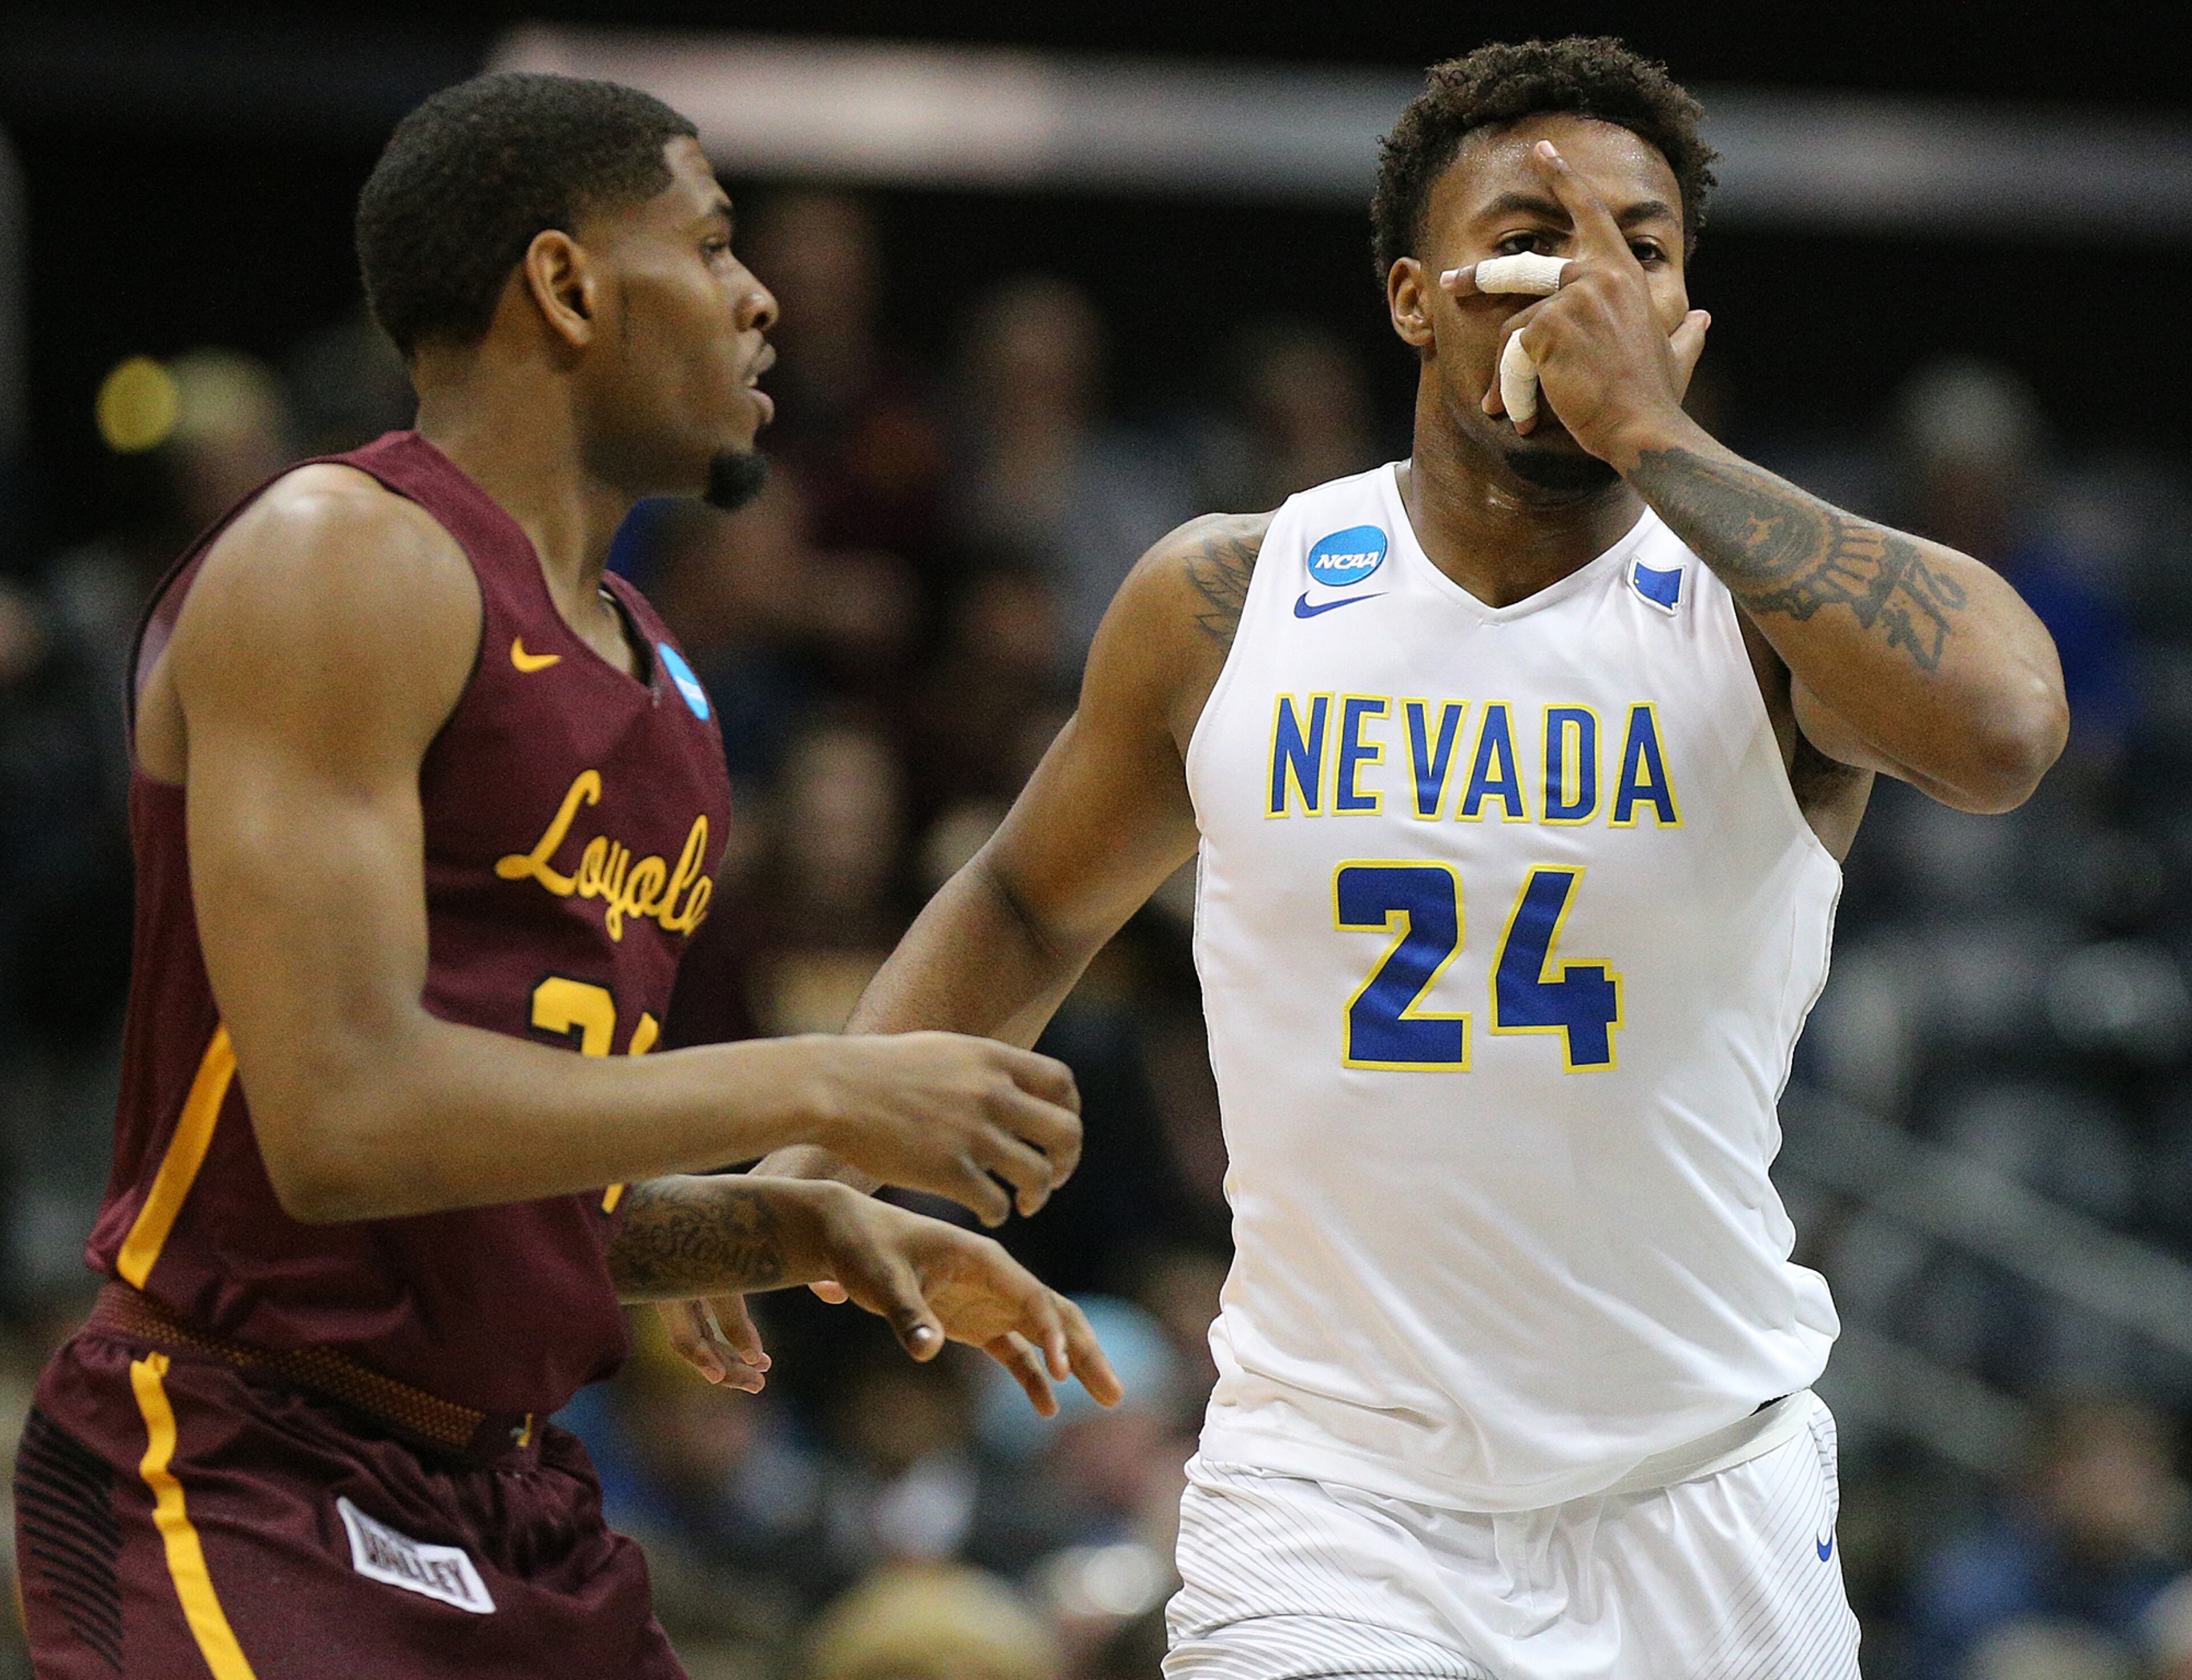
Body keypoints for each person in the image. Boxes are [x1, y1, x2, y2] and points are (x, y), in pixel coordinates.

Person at [745, 37, 2067, 1678]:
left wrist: (1660, 439)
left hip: (1702, 1490)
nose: (1585, 277)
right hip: (1334, 1495)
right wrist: (803, 1172)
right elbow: (1025, 896)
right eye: (1528, 234)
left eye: (1640, 249)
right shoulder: (1232, 599)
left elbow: (2006, 729)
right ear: (1415, 299)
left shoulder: (1760, 613)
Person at [10, 72, 1116, 1680]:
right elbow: (342, 1123)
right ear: (567, 285)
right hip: (239, 1455)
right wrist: (829, 1082)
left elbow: (519, 1199)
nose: (763, 302)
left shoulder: (667, 690)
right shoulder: (348, 556)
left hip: (511, 1491)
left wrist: (780, 1228)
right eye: (719, 244)